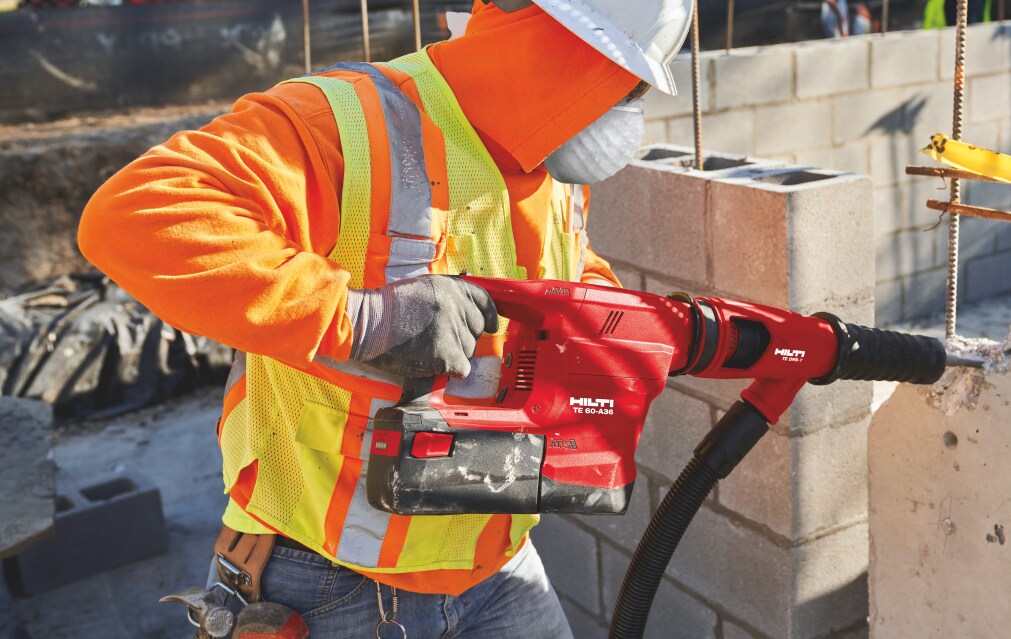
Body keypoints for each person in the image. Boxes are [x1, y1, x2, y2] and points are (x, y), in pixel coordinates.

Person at [77, 0, 693, 635]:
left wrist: (615, 323)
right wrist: (364, 319)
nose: (627, 109)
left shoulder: (550, 167)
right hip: (325, 578)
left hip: (495, 562)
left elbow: (566, 265)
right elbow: (135, 215)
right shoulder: (346, 122)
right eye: (626, 81)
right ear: (560, 48)